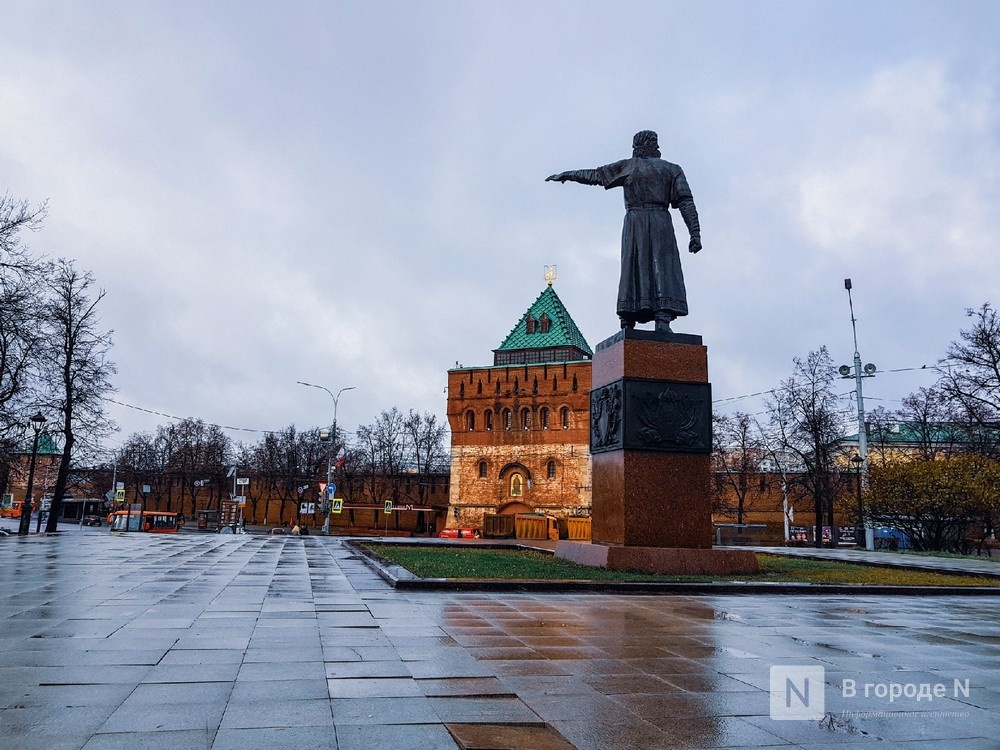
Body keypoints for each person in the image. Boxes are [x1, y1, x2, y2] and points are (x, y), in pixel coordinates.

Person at [546, 130, 701, 332]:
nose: (657, 147)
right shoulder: (668, 169)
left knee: (642, 266)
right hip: (656, 222)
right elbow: (686, 202)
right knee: (650, 267)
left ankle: (644, 318)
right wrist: (695, 233)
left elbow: (596, 175)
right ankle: (644, 318)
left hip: (640, 222)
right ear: (647, 146)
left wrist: (568, 175)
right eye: (654, 143)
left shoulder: (635, 167)